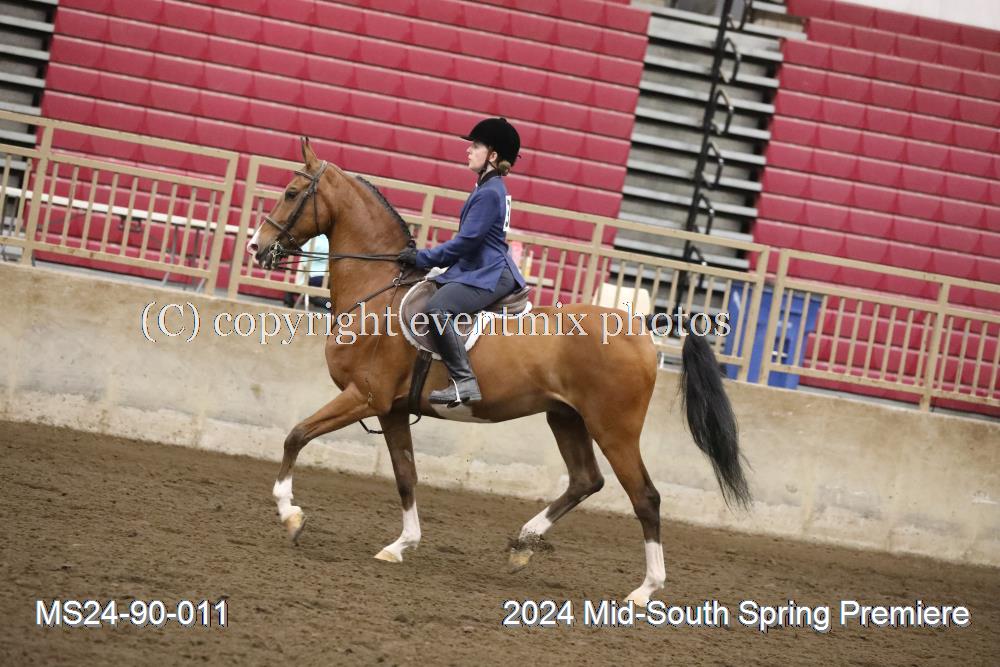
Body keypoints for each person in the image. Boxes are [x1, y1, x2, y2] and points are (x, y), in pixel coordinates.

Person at [397, 117, 527, 407]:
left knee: (437, 309)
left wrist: (422, 257)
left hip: (490, 272)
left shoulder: (490, 192)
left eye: (476, 146)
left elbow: (466, 242)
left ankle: (463, 380)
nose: (469, 150)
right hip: (479, 266)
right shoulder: (488, 186)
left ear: (492, 155)